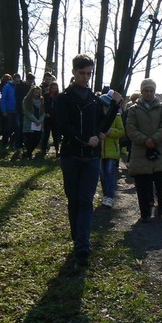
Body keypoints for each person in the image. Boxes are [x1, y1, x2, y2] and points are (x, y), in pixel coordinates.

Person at [56, 54, 122, 267]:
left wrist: (115, 106)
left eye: (89, 74)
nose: (85, 77)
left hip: (92, 159)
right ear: (74, 72)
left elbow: (102, 124)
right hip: (71, 156)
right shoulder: (64, 98)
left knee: (86, 199)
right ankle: (78, 238)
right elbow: (62, 126)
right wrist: (85, 139)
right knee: (74, 200)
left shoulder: (95, 100)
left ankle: (83, 245)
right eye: (82, 73)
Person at [126, 78, 162, 222]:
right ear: (141, 92)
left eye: (151, 90)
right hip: (141, 152)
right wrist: (144, 140)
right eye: (146, 90)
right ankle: (145, 212)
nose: (148, 93)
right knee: (142, 184)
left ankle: (161, 203)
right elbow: (130, 128)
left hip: (159, 150)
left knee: (160, 182)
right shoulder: (133, 110)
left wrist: (154, 139)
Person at [99, 92, 125, 208]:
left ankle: (109, 196)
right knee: (102, 175)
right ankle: (105, 194)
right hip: (99, 152)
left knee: (109, 173)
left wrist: (110, 132)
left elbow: (121, 131)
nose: (104, 108)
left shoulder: (117, 117)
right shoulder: (97, 117)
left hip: (111, 151)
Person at [21, 85, 45, 160]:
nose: (36, 93)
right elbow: (27, 112)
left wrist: (40, 120)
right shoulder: (27, 99)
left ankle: (28, 152)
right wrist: (35, 120)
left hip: (38, 123)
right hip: (29, 122)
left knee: (37, 139)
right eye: (35, 91)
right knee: (29, 139)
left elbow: (43, 112)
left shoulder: (41, 100)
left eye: (38, 92)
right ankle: (29, 153)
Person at [40, 81, 61, 156]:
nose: (54, 89)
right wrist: (45, 113)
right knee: (46, 134)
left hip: (55, 118)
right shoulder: (46, 96)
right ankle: (43, 149)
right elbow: (42, 106)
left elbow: (59, 108)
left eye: (55, 88)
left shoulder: (59, 97)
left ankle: (57, 150)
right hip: (47, 117)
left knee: (55, 135)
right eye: (52, 88)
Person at [1, 74, 21, 149]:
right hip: (8, 110)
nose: (17, 82)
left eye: (18, 81)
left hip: (16, 110)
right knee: (8, 127)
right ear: (13, 79)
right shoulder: (7, 87)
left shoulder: (18, 87)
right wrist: (4, 110)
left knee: (16, 127)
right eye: (16, 81)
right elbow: (3, 99)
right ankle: (5, 141)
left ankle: (14, 142)